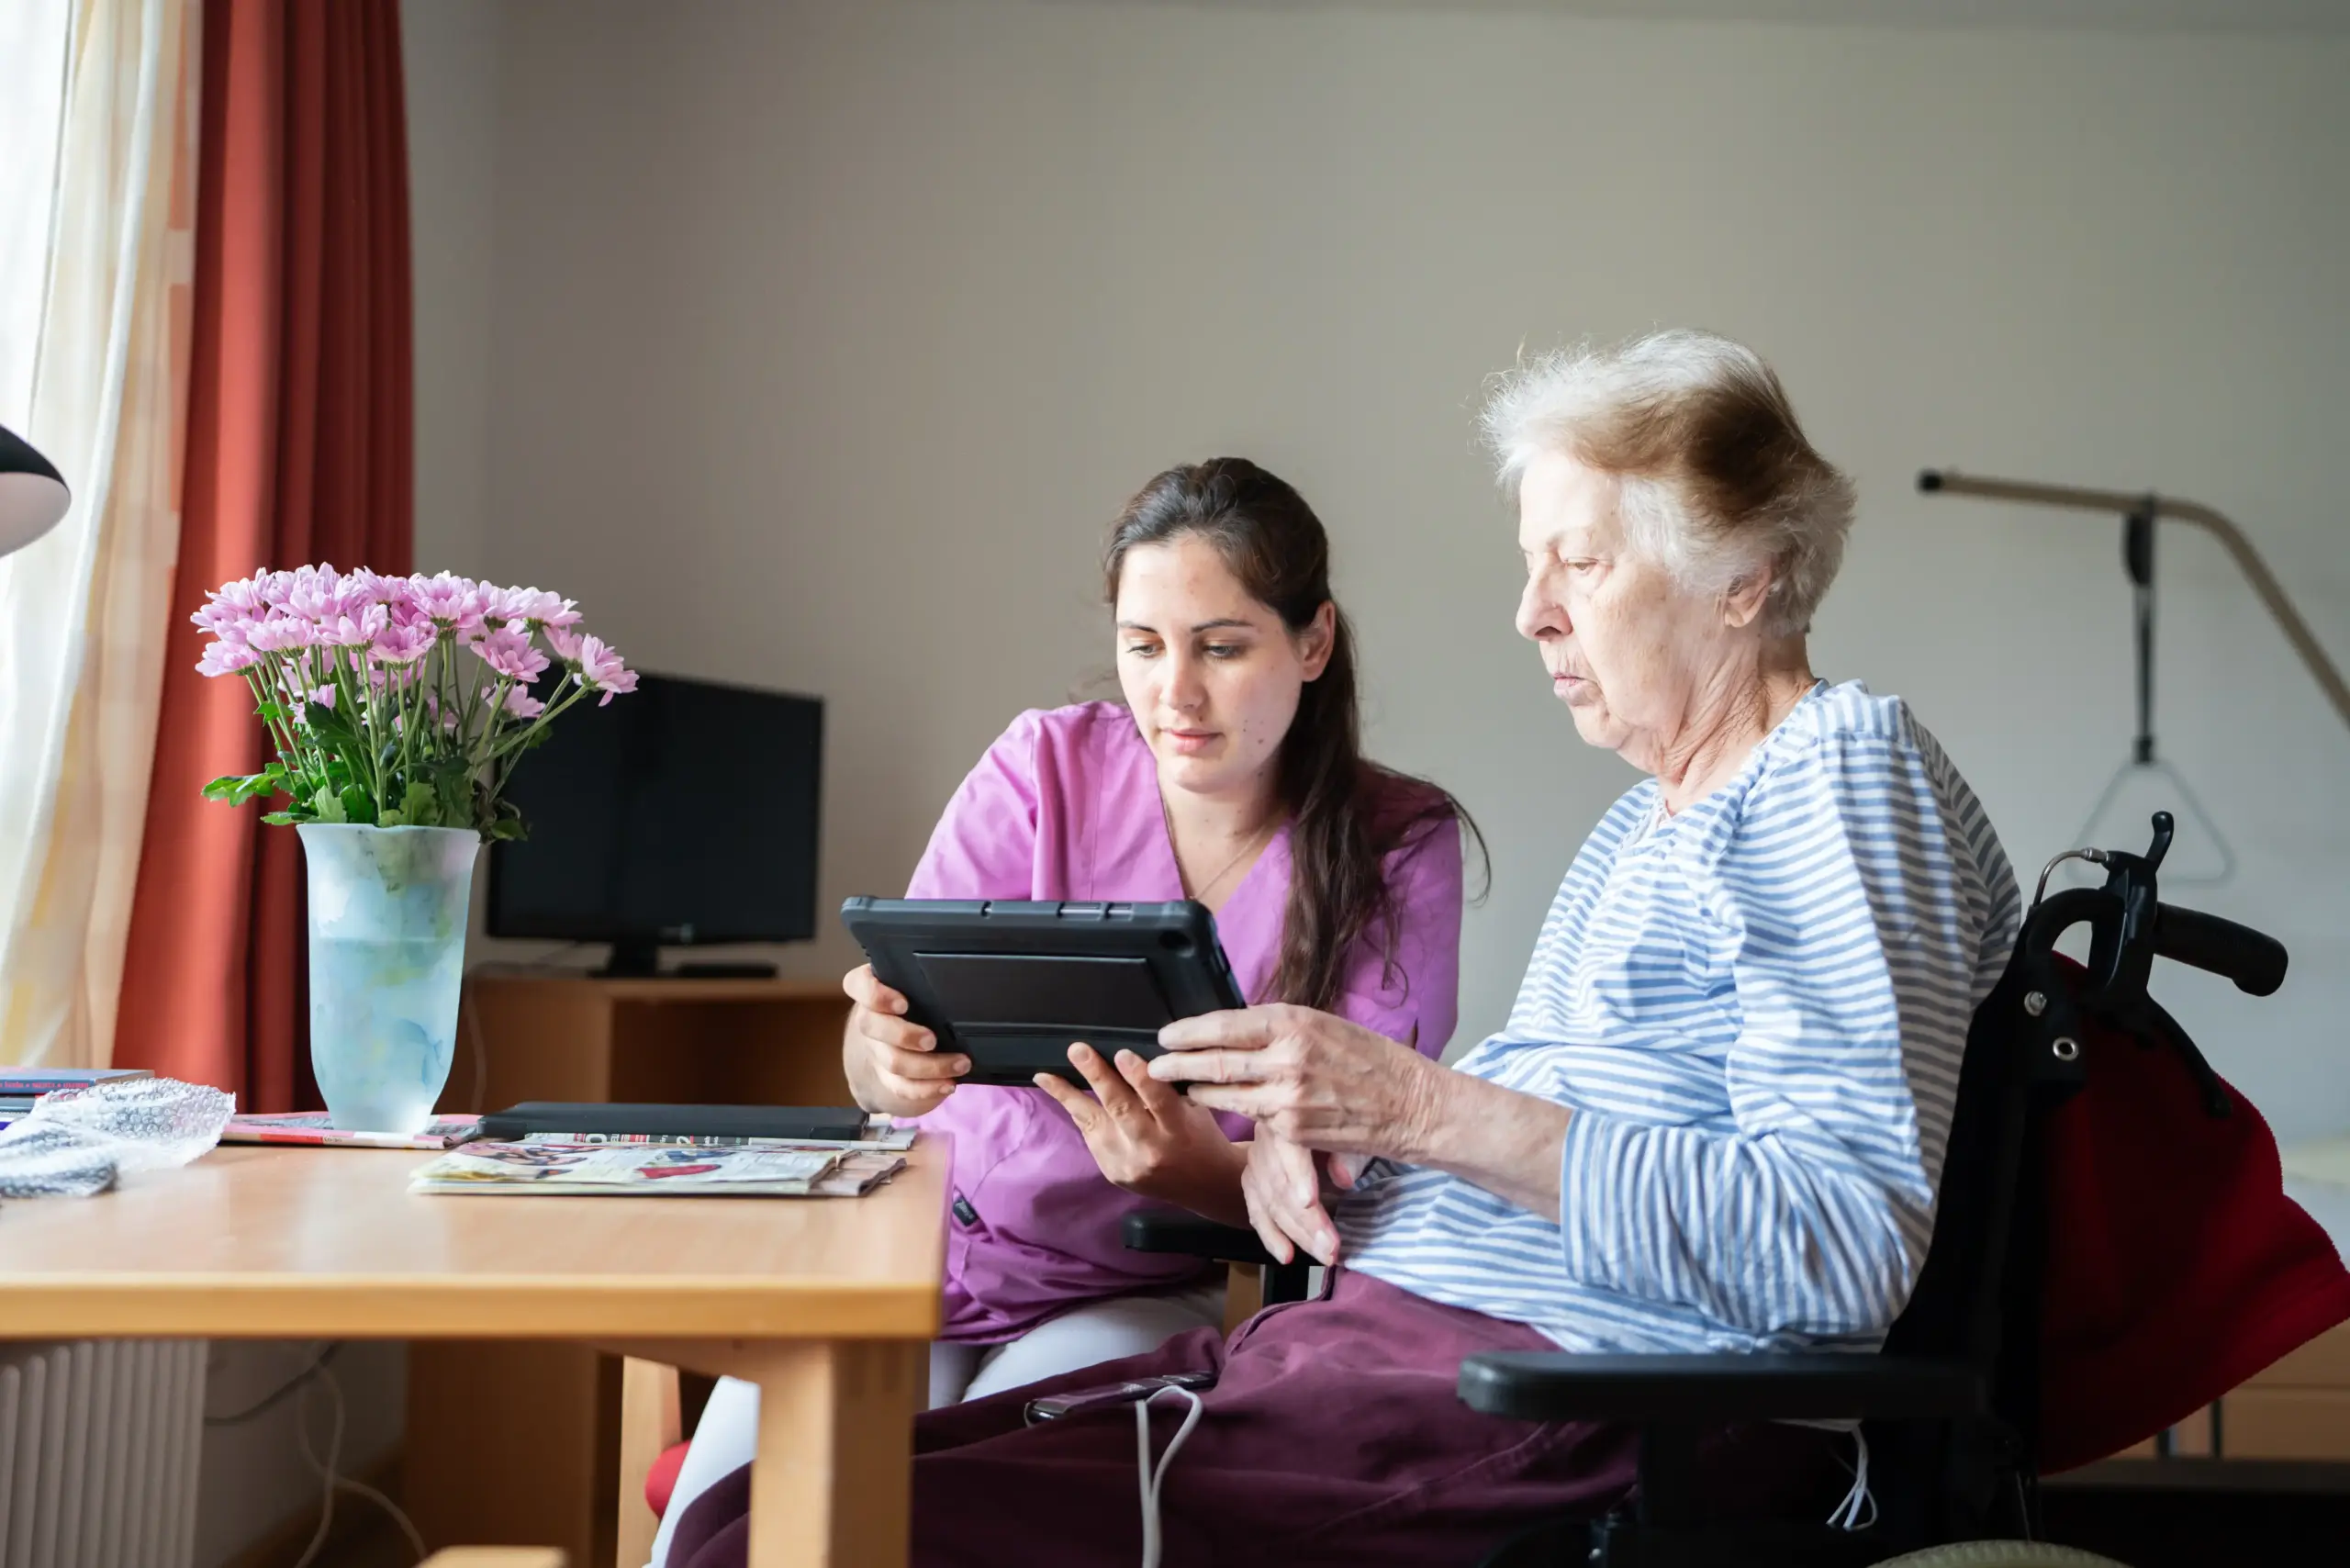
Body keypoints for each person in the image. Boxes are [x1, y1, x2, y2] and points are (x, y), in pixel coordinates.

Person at [665, 328, 2022, 1568]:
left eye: (1581, 563)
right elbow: (1519, 1170)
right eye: (1531, 565)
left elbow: (1836, 1246)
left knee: (787, 1545)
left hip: (1565, 1394)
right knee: (746, 1516)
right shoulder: (1644, 825)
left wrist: (1415, 1108)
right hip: (1369, 1352)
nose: (1531, 612)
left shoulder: (1837, 775)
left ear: (1744, 581)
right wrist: (1308, 1168)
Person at [648, 459, 1472, 1567]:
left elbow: (1340, 1187)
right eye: (1144, 645)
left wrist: (1192, 1172)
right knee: (715, 1531)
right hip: (909, 1246)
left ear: (1313, 641)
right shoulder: (1044, 762)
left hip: (1127, 1281)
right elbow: (878, 1040)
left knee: (971, 1528)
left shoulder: (1397, 845)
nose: (1175, 693)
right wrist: (879, 1059)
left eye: (1221, 648)